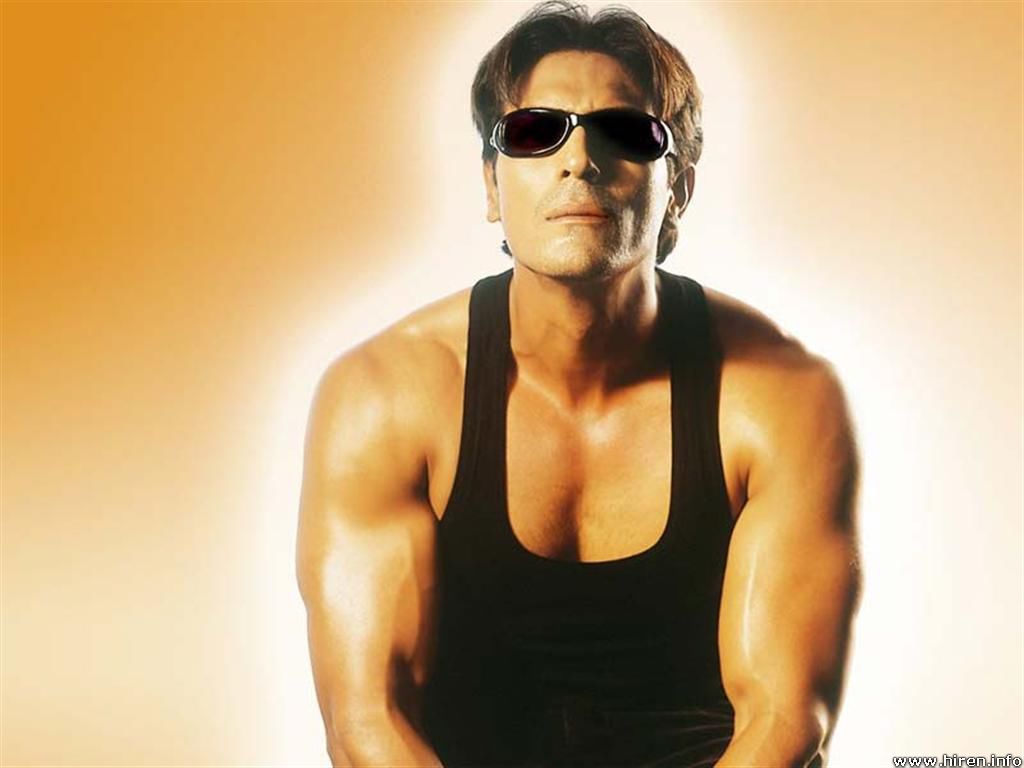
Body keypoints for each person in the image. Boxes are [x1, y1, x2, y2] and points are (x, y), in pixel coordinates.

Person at [296, 2, 861, 766]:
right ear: (492, 184)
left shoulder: (782, 398)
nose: (579, 160)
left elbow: (784, 718)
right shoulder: (384, 395)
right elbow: (370, 719)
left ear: (678, 188)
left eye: (625, 131)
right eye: (536, 132)